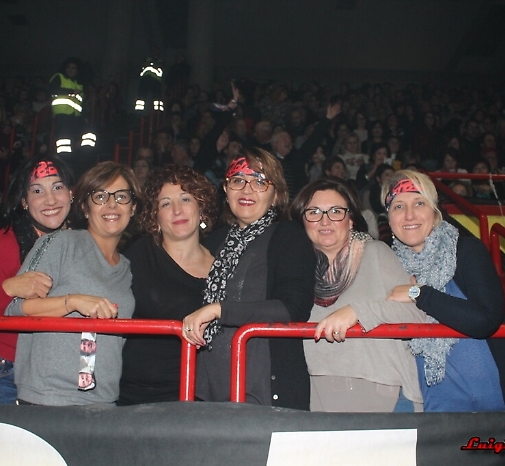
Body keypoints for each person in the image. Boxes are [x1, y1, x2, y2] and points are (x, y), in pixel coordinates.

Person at [382, 170, 505, 412]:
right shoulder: (388, 267)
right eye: (398, 206)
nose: (409, 214)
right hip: (435, 413)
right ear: (389, 219)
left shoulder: (466, 251)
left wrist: (418, 293)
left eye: (419, 203)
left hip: (497, 407)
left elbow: (485, 320)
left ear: (435, 211)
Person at [182, 148, 316, 410]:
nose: (247, 189)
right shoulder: (215, 242)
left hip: (262, 391)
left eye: (259, 181)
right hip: (207, 389)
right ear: (226, 189)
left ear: (276, 194)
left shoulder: (289, 236)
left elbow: (293, 308)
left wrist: (220, 310)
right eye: (238, 180)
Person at [5, 162, 139, 406]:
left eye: (121, 196)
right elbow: (15, 309)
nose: (112, 204)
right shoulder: (62, 243)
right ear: (85, 208)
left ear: (133, 207)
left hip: (104, 401)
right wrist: (73, 302)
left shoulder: (128, 268)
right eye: (100, 196)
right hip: (49, 399)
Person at [289, 178, 428, 412]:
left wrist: (358, 312)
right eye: (314, 212)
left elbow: (417, 315)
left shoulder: (376, 253)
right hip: (314, 396)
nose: (325, 220)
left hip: (383, 392)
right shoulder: (293, 267)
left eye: (336, 211)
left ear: (351, 219)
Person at [0, 154, 75, 404]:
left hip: (43, 375)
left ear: (71, 194)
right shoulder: (6, 242)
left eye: (57, 187)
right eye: (37, 191)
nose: (50, 199)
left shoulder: (78, 243)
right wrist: (8, 289)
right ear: (24, 202)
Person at [118, 165, 217, 405]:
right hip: (135, 394)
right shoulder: (139, 255)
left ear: (201, 207)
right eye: (165, 204)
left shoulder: (223, 263)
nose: (177, 210)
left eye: (185, 199)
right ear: (155, 217)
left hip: (199, 396)